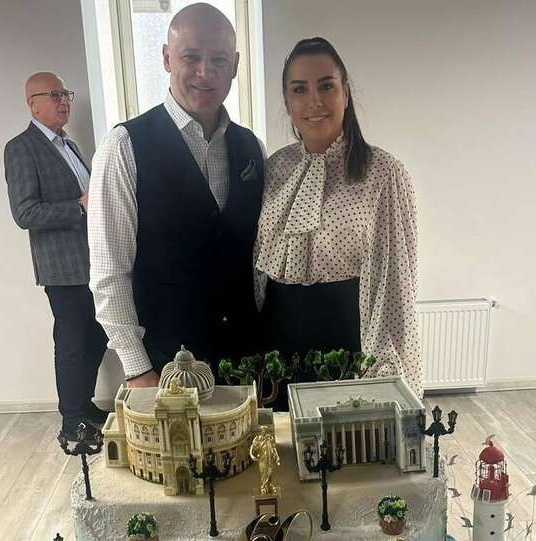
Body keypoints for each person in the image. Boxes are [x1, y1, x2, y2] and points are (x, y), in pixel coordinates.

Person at [88, 4, 264, 388]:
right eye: (191, 57)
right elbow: (109, 271)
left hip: (246, 363)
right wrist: (137, 369)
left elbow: (256, 261)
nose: (205, 72)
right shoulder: (124, 146)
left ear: (235, 65)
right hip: (166, 368)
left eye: (219, 60)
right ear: (167, 58)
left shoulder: (251, 147)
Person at [255, 37, 423, 399]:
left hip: (347, 343)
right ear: (287, 101)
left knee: (344, 435)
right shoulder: (275, 169)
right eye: (300, 89)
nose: (314, 100)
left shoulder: (383, 173)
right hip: (276, 347)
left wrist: (386, 375)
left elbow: (395, 286)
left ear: (345, 93)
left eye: (326, 86)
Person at [4, 72, 108, 442]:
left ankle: (84, 403)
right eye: (54, 94)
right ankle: (72, 422)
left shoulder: (70, 145)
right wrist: (78, 206)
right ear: (32, 104)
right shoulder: (22, 148)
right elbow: (25, 212)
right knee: (72, 342)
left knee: (97, 335)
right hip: (62, 267)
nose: (64, 101)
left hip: (92, 261)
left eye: (66, 94)